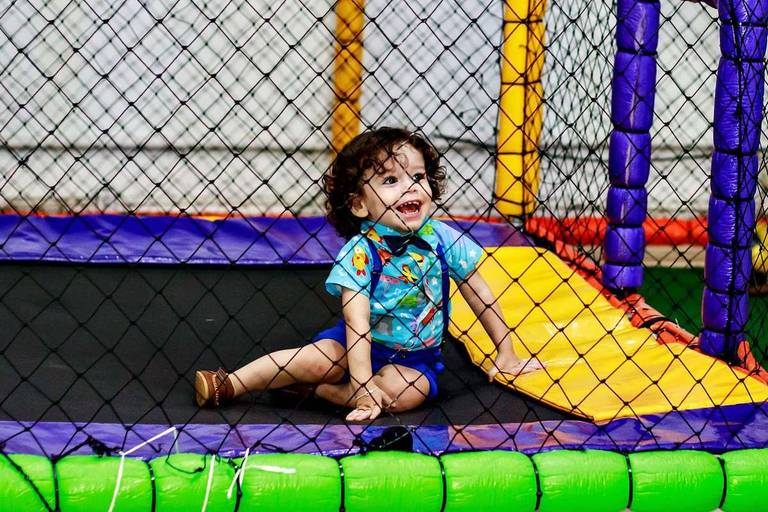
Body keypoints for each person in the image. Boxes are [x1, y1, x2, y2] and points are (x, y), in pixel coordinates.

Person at [195, 127, 543, 421]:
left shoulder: (441, 238)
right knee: (318, 359)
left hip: (416, 360)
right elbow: (357, 325)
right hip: (354, 344)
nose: (410, 186)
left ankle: (322, 394)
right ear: (360, 204)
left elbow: (477, 291)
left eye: (418, 177)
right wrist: (362, 385)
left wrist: (505, 350)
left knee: (405, 394)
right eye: (391, 180)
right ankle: (232, 383)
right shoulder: (361, 253)